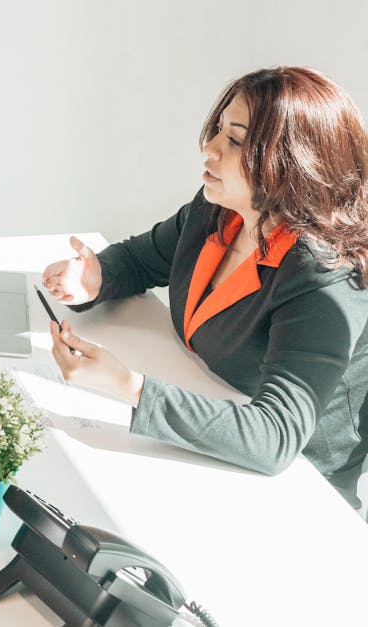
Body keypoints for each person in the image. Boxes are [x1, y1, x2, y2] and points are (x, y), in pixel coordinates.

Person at [41, 66, 368, 508]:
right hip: (205, 415)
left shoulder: (325, 277)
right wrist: (96, 277)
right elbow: (141, 259)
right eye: (218, 130)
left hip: (299, 485)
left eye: (234, 140)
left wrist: (129, 386)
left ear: (292, 164)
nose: (209, 148)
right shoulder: (219, 210)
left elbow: (276, 437)